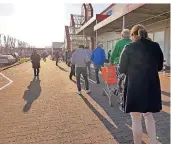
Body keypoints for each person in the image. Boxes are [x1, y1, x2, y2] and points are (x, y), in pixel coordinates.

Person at [119, 24, 163, 144]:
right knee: (148, 115)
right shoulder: (155, 46)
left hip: (134, 85)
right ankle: (153, 141)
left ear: (133, 35)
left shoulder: (129, 47)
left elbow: (122, 68)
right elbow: (159, 66)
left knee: (135, 119)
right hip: (151, 85)